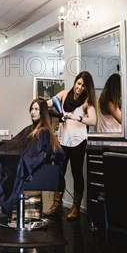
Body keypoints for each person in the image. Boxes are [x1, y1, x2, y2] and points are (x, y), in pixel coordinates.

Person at [0, 97, 63, 214]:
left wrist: (17, 158)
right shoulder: (30, 129)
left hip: (29, 166)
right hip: (21, 160)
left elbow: (35, 155)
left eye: (36, 109)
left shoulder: (43, 131)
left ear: (43, 111)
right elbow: (18, 146)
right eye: (32, 109)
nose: (33, 112)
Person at [45, 71, 97, 221]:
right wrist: (41, 104)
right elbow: (49, 103)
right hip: (63, 140)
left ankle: (75, 208)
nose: (80, 88)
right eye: (78, 83)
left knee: (76, 173)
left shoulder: (87, 101)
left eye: (83, 86)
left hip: (78, 141)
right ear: (75, 82)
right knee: (59, 172)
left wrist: (77, 117)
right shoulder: (64, 94)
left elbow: (93, 121)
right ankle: (57, 205)